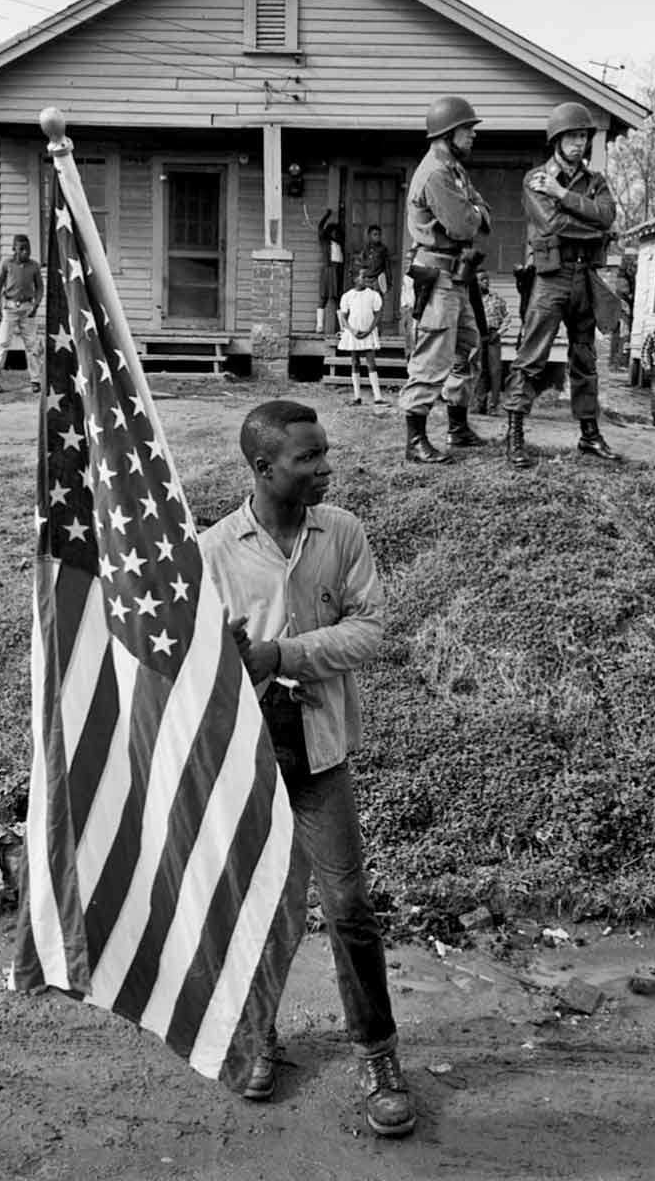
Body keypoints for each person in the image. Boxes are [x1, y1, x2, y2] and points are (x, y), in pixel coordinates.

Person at [200, 400, 416, 1139]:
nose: (326, 467)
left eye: (325, 453)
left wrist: (281, 655)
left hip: (320, 751)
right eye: (309, 458)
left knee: (349, 908)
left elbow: (372, 629)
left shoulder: (343, 532)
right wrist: (218, 656)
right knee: (258, 907)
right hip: (247, 757)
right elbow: (184, 668)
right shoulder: (212, 552)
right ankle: (259, 1035)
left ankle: (378, 1053)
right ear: (263, 468)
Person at [502, 103, 619, 469]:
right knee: (531, 355)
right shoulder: (536, 178)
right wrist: (595, 227)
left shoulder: (595, 181)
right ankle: (515, 433)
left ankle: (589, 434)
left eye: (583, 136)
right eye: (571, 135)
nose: (578, 143)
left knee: (585, 357)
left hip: (586, 277)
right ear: (556, 138)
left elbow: (607, 216)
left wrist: (563, 194)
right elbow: (553, 225)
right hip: (550, 278)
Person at [398, 95, 491, 464]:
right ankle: (415, 440)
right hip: (438, 275)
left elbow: (484, 212)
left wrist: (475, 212)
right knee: (433, 355)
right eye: (467, 130)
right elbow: (466, 223)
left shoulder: (454, 168)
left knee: (467, 347)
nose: (473, 136)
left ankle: (457, 427)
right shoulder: (436, 173)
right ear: (448, 133)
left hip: (458, 276)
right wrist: (475, 213)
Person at [0, 234, 44, 394]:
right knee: (3, 343)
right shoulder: (7, 264)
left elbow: (40, 287)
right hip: (10, 308)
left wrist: (36, 305)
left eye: (28, 249)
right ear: (15, 249)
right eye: (22, 249)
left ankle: (35, 380)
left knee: (32, 345)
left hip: (28, 309)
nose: (26, 252)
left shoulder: (34, 266)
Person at [337, 268, 388, 406]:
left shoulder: (373, 295)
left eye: (368, 278)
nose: (366, 280)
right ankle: (357, 397)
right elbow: (343, 317)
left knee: (371, 363)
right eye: (363, 278)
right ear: (355, 279)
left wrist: (369, 330)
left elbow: (377, 314)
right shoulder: (347, 296)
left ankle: (377, 397)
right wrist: (352, 330)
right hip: (354, 333)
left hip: (368, 333)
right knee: (355, 362)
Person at [473, 270, 511, 415]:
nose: (486, 282)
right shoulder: (472, 302)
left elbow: (507, 317)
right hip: (478, 336)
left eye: (487, 279)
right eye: (482, 279)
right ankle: (479, 404)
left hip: (493, 336)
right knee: (480, 369)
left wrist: (499, 333)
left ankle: (493, 405)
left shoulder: (496, 299)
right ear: (475, 282)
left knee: (495, 370)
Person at [316, 209, 345, 335]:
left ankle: (343, 327)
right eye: (333, 232)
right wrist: (326, 215)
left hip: (337, 271)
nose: (336, 234)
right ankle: (319, 325)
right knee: (324, 297)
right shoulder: (325, 242)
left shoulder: (339, 244)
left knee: (338, 299)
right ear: (329, 233)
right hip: (328, 270)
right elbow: (320, 227)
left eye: (337, 232)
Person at [356, 224, 393, 297]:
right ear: (369, 236)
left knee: (377, 303)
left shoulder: (383, 249)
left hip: (378, 280)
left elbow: (387, 266)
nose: (378, 237)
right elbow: (360, 263)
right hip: (366, 280)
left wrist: (388, 282)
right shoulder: (365, 249)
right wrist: (360, 277)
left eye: (379, 234)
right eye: (375, 234)